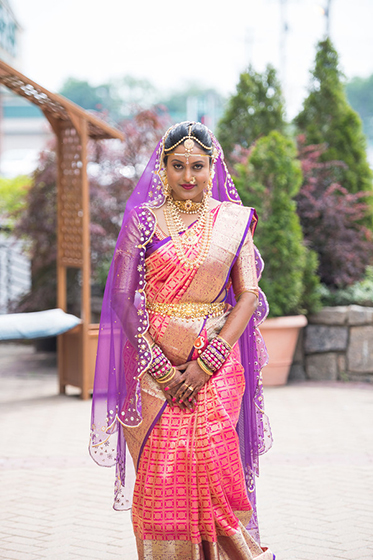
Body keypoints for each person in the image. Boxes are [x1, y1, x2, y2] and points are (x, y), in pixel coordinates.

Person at [89, 122, 275, 559]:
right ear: (164, 168)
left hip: (216, 367)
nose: (188, 176)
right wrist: (158, 366)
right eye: (178, 166)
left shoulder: (233, 221)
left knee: (215, 466)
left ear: (213, 168)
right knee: (160, 477)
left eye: (197, 166)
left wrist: (210, 358)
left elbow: (248, 294)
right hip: (153, 369)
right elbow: (120, 296)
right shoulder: (143, 222)